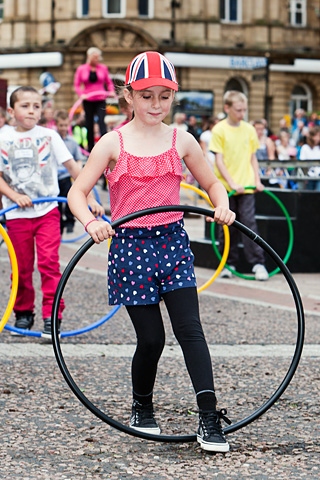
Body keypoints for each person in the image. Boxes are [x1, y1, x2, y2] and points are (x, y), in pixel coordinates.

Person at [68, 51, 236, 453]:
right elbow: (78, 192)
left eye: (164, 96)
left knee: (191, 330)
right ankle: (142, 407)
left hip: (173, 243)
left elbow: (213, 185)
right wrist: (91, 222)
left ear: (173, 96)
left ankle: (209, 416)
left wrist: (223, 204)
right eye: (146, 96)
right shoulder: (113, 142)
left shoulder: (183, 140)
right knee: (152, 339)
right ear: (128, 96)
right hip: (129, 248)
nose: (156, 105)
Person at [0, 86, 104, 340]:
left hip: (47, 212)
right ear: (12, 110)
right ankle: (23, 313)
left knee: (49, 264)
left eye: (37, 106)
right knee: (22, 268)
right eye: (25, 106)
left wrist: (89, 197)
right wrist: (14, 196)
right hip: (16, 215)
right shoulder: (3, 136)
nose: (32, 111)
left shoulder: (50, 136)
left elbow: (74, 168)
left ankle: (52, 316)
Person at [209, 90, 269, 281]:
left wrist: (257, 181)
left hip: (247, 186)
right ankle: (228, 264)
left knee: (249, 222)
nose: (242, 114)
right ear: (227, 108)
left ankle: (258, 263)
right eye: (238, 110)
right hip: (226, 188)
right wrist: (232, 183)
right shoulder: (219, 130)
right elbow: (219, 160)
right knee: (226, 225)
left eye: (244, 110)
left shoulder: (249, 130)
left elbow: (252, 157)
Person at [73, 47, 116, 152]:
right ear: (89, 57)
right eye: (95, 57)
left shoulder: (103, 68)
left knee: (102, 123)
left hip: (100, 99)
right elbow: (77, 85)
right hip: (88, 100)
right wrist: (81, 94)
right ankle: (90, 149)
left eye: (98, 57)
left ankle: (106, 147)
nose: (97, 59)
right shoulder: (81, 69)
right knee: (89, 124)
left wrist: (111, 91)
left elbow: (109, 82)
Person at [55, 109, 86, 233]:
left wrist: (77, 172)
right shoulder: (53, 140)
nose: (63, 128)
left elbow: (78, 159)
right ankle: (59, 225)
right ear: (56, 124)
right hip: (55, 178)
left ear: (69, 125)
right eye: (61, 125)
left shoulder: (72, 142)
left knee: (69, 201)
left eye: (65, 125)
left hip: (67, 177)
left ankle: (69, 222)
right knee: (56, 204)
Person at [299, 125, 320, 191]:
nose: (317, 138)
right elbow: (302, 162)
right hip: (309, 177)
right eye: (316, 136)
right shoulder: (305, 148)